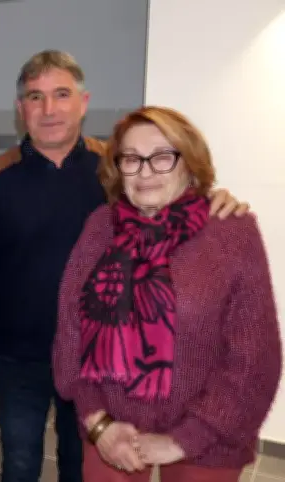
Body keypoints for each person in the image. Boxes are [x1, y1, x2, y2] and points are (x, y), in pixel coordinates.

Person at [0, 50, 249, 482]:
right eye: (35, 97)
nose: (49, 109)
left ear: (84, 102)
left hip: (97, 360)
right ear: (21, 109)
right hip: (19, 359)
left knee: (82, 466)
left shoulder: (116, 170)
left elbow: (172, 206)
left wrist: (216, 203)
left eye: (62, 94)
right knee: (19, 463)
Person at [52, 105, 282, 482]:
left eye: (162, 157)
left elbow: (255, 357)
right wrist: (99, 423)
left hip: (209, 438)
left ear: (189, 164)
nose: (145, 172)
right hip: (112, 430)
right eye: (131, 159)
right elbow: (70, 333)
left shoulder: (231, 231)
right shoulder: (100, 227)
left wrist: (185, 440)